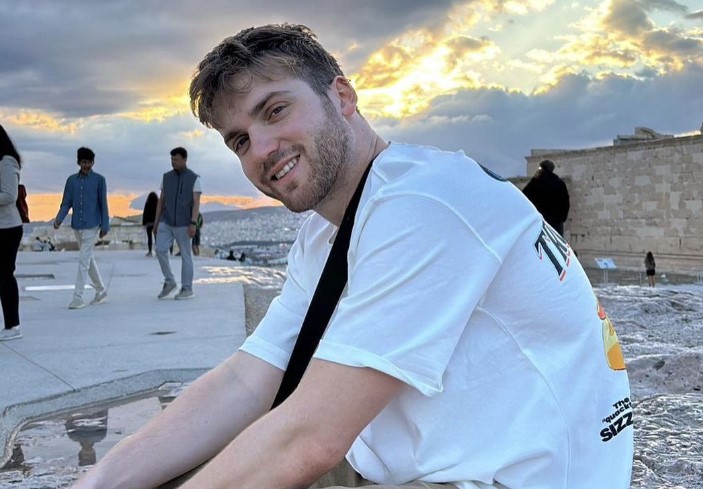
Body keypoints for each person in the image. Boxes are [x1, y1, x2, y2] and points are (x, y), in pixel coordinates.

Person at [69, 24, 633, 489]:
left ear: (342, 97)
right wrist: (97, 482)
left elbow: (310, 437)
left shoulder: (423, 203)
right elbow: (246, 381)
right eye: (239, 139)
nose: (261, 149)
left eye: (275, 110)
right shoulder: (328, 229)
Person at [53, 147, 110, 310]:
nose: (86, 165)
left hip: (93, 225)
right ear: (79, 162)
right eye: (84, 162)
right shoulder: (72, 181)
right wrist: (59, 219)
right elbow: (66, 203)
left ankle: (77, 297)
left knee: (83, 261)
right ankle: (101, 290)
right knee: (88, 259)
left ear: (93, 163)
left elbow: (103, 204)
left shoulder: (99, 180)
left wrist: (105, 225)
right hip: (77, 225)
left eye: (89, 162)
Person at [153, 147, 202, 300]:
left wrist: (193, 223)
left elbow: (196, 203)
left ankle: (187, 289)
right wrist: (156, 222)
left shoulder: (194, 179)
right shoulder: (166, 177)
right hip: (166, 221)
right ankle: (169, 281)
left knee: (186, 255)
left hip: (184, 224)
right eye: (172, 159)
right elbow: (161, 200)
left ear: (184, 160)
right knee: (160, 249)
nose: (173, 162)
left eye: (176, 159)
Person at [0, 124, 24, 341]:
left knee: (5, 275)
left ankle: (13, 326)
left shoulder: (7, 161)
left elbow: (9, 195)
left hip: (7, 228)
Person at [522, 159, 570, 236]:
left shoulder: (536, 183)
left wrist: (533, 179)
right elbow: (565, 203)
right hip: (556, 223)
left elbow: (524, 196)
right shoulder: (560, 183)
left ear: (541, 169)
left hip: (540, 221)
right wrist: (561, 218)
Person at [142, 191, 159, 256]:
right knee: (156, 238)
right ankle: (157, 251)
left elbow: (145, 214)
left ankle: (150, 251)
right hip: (155, 223)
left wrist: (144, 223)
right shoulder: (157, 204)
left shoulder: (147, 203)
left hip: (149, 223)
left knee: (149, 238)